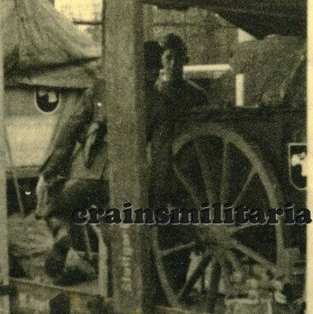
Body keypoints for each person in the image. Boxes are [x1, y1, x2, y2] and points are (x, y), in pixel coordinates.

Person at [37, 35, 205, 284]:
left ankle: (63, 234)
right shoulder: (159, 103)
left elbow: (70, 130)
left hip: (87, 174)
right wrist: (157, 203)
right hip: (124, 183)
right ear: (152, 70)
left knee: (55, 208)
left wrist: (49, 172)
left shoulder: (100, 88)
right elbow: (161, 160)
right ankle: (121, 289)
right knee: (118, 237)